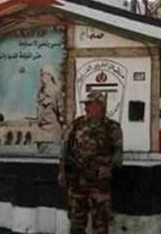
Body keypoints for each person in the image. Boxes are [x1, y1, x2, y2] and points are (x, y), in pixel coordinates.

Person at [58, 92, 123, 234]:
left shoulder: (112, 127)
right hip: (77, 181)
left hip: (98, 182)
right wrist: (62, 171)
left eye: (89, 104)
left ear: (100, 106)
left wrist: (109, 167)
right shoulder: (77, 124)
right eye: (85, 104)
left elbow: (118, 153)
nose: (86, 107)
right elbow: (65, 147)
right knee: (76, 222)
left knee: (100, 224)